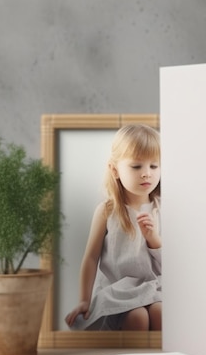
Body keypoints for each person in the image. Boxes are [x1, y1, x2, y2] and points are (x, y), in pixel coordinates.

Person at [65, 124, 162, 331]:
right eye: (137, 167)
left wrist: (154, 239)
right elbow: (91, 258)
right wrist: (84, 299)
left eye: (154, 166)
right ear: (114, 169)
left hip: (154, 288)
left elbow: (173, 267)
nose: (147, 174)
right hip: (119, 291)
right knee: (137, 318)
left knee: (160, 313)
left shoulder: (161, 209)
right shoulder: (107, 211)